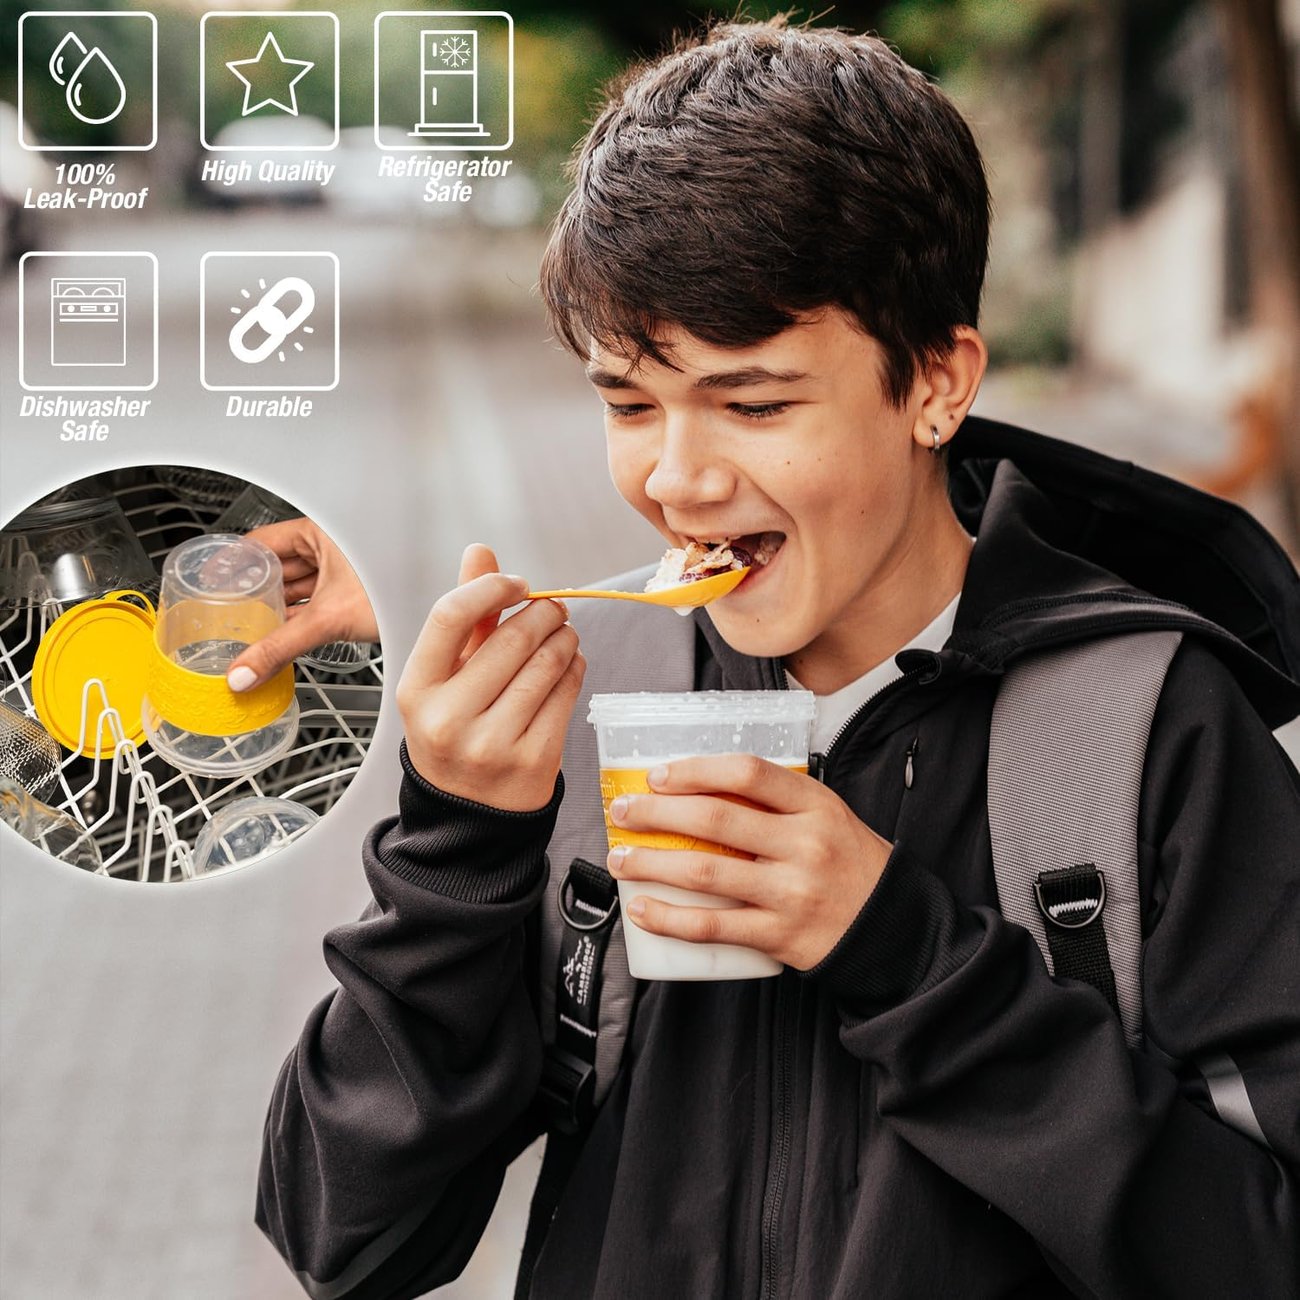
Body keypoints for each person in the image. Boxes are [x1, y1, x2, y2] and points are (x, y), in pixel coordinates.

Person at [255, 18, 1300, 1299]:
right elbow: (342, 1236)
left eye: (753, 403)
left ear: (934, 383)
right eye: (630, 402)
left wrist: (904, 952)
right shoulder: (595, 701)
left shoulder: (1154, 728)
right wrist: (458, 846)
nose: (677, 478)